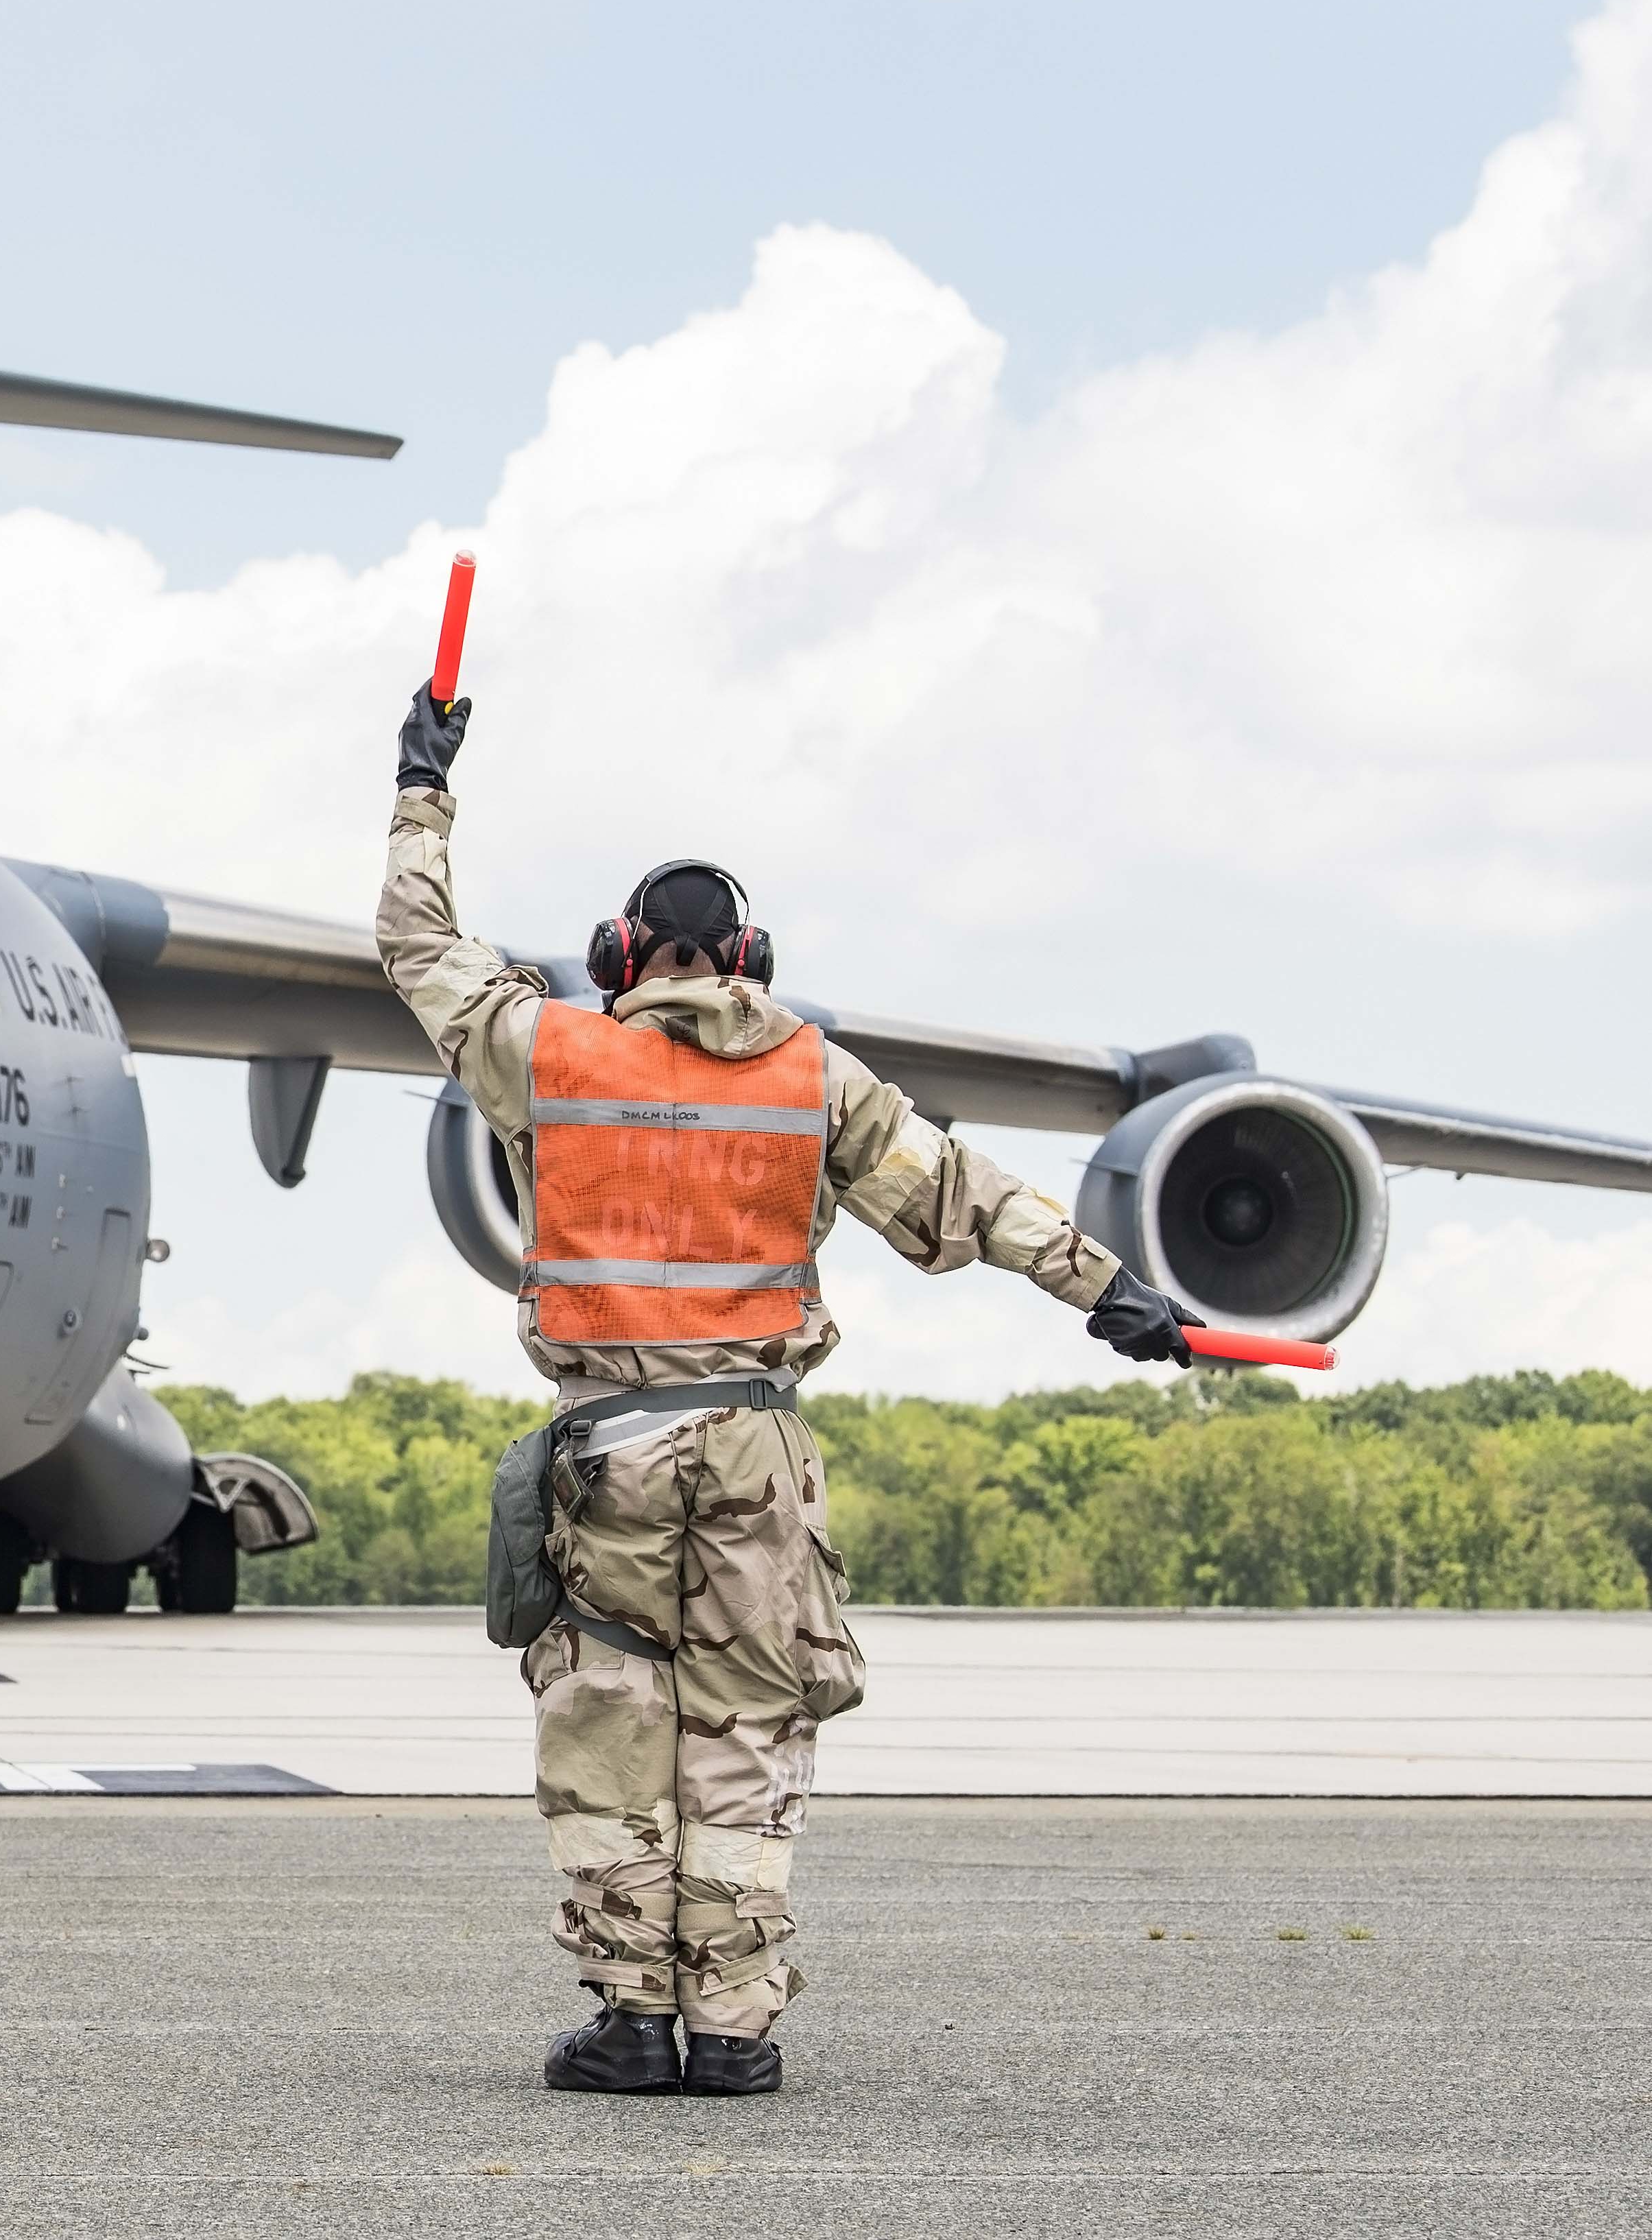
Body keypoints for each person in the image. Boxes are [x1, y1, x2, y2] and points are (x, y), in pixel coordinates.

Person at [379, 682, 1199, 2098]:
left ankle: (633, 2023)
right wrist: (1106, 1288)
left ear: (616, 957)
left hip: (607, 1454)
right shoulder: (813, 1078)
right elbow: (962, 1196)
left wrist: (423, 786)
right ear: (750, 957)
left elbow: (417, 944)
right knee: (750, 1724)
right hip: (756, 1455)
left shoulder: (549, 1054)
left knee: (609, 1721)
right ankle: (737, 2032)